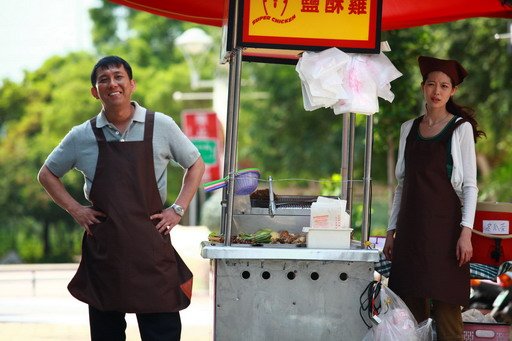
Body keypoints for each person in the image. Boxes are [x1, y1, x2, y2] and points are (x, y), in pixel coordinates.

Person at [37, 55, 205, 340]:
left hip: (151, 247)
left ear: (131, 84)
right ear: (95, 91)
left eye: (118, 77)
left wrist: (178, 208)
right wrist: (76, 210)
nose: (112, 84)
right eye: (103, 79)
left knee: (162, 334)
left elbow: (196, 164)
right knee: (106, 334)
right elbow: (47, 174)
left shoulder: (160, 125)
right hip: (106, 251)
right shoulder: (81, 136)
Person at [383, 56, 485, 340]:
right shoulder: (408, 129)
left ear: (453, 91)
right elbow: (402, 185)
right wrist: (392, 231)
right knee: (408, 316)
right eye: (431, 84)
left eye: (444, 86)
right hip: (411, 232)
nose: (436, 91)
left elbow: (470, 187)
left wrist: (465, 234)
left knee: (447, 314)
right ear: (422, 87)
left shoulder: (460, 129)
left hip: (447, 234)